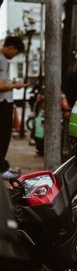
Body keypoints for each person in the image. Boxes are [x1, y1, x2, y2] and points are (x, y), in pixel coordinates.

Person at [0, 36, 26, 178]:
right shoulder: (2, 60)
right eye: (15, 53)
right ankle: (2, 169)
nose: (14, 55)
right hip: (3, 103)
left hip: (3, 102)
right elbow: (1, 85)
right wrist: (16, 86)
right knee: (4, 135)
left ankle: (2, 166)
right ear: (11, 48)